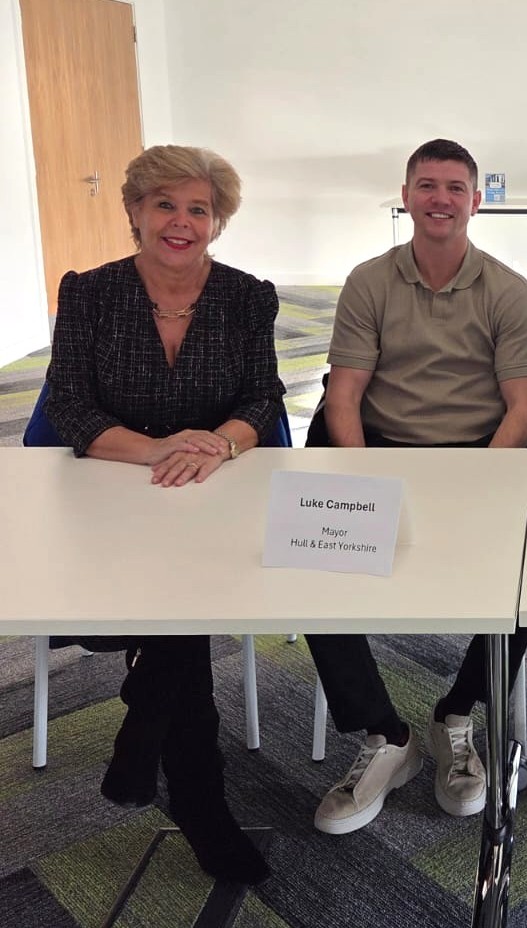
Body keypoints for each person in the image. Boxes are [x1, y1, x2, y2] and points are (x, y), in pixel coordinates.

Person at [45, 144, 285, 884]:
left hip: (214, 496)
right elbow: (71, 407)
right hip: (116, 495)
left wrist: (217, 443)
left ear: (218, 222)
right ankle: (199, 797)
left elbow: (261, 400)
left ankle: (148, 717)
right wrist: (155, 450)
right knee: (180, 610)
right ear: (135, 213)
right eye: (165, 206)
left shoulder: (248, 297)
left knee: (182, 597)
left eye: (199, 209)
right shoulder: (91, 293)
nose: (182, 223)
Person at [305, 139, 527, 834]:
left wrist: (472, 486)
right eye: (426, 185)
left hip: (480, 455)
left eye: (455, 187)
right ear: (406, 195)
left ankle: (456, 715)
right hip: (377, 453)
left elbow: (523, 410)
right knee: (315, 568)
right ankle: (387, 736)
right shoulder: (369, 281)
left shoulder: (507, 290)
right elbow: (343, 397)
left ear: (477, 200)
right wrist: (362, 486)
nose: (440, 198)